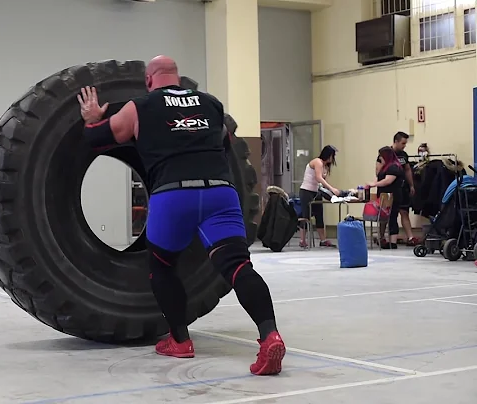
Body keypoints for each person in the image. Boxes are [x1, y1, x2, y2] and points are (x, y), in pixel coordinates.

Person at [76, 55, 285, 375]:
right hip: (220, 193)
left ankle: (180, 341)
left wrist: (92, 118)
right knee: (239, 266)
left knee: (161, 267)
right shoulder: (212, 105)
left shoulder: (139, 107)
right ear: (178, 77)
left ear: (149, 81)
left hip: (173, 196)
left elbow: (98, 138)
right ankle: (270, 335)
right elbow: (225, 147)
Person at [376, 132, 418, 247]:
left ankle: (410, 237)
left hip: (400, 188)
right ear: (396, 141)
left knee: (402, 211)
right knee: (385, 214)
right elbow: (378, 172)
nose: (404, 146)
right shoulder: (385, 154)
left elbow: (407, 170)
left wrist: (411, 185)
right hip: (387, 189)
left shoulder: (404, 155)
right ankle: (381, 237)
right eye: (403, 143)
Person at [298, 146, 340, 248]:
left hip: (315, 192)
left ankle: (323, 239)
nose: (332, 158)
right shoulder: (318, 162)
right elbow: (318, 177)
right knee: (306, 215)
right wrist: (332, 188)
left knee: (319, 215)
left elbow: (321, 180)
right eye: (332, 156)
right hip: (306, 191)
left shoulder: (324, 166)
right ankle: (302, 240)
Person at [367, 146, 405, 249]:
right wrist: (379, 165)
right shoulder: (386, 166)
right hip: (384, 197)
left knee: (392, 217)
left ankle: (393, 242)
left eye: (381, 156)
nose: (380, 158)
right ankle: (383, 238)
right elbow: (378, 175)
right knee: (384, 217)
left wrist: (374, 184)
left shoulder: (394, 167)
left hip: (392, 196)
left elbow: (388, 180)